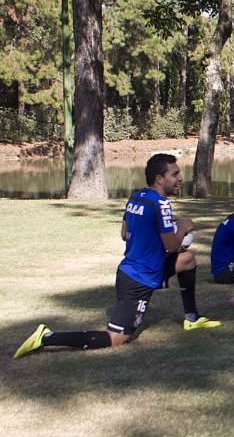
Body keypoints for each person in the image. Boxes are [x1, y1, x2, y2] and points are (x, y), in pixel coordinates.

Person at [15, 153, 219, 358]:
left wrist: (157, 224)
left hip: (141, 268)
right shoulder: (161, 205)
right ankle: (46, 337)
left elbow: (124, 234)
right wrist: (182, 227)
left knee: (188, 259)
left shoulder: (136, 198)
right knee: (116, 339)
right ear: (159, 178)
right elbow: (171, 246)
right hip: (138, 279)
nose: (180, 178)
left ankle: (192, 318)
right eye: (174, 174)